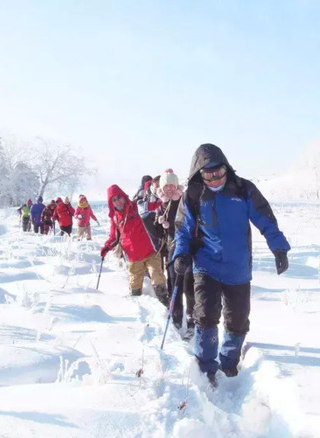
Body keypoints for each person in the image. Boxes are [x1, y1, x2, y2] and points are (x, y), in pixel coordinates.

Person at [173, 143, 290, 384]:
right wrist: (181, 255)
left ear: (227, 169)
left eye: (219, 172)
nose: (215, 179)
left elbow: (265, 219)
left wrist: (279, 247)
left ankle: (229, 363)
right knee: (205, 316)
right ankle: (206, 370)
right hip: (206, 265)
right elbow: (182, 230)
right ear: (199, 174)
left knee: (237, 319)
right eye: (208, 174)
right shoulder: (193, 195)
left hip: (238, 268)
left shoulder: (243, 189)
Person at [100, 185, 169, 305]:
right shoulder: (115, 219)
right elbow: (114, 237)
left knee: (157, 277)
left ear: (123, 196)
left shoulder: (137, 206)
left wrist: (166, 200)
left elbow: (157, 205)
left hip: (150, 251)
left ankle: (165, 304)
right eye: (114, 200)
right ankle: (136, 311)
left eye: (118, 197)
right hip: (133, 257)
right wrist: (107, 247)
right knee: (135, 287)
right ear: (111, 203)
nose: (117, 201)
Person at [155, 169, 195, 337]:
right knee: (174, 283)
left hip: (186, 247)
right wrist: (159, 223)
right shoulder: (161, 207)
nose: (170, 189)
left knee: (189, 284)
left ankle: (191, 318)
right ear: (162, 188)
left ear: (177, 186)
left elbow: (188, 224)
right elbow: (158, 235)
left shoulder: (185, 202)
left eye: (172, 185)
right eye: (166, 186)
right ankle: (177, 316)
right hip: (171, 249)